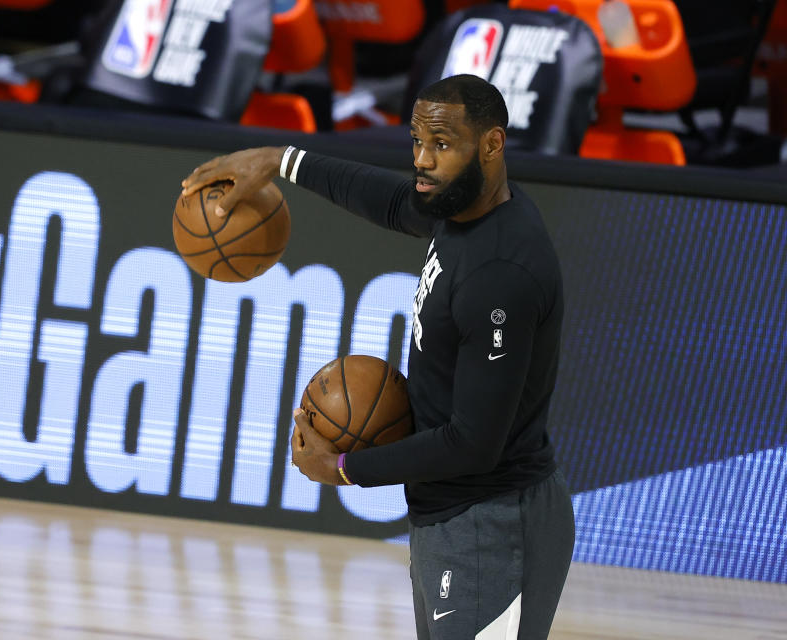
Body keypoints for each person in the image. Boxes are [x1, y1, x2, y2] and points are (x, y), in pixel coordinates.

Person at [181, 74, 575, 640]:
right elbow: (394, 203)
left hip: (493, 525)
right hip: (453, 518)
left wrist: (344, 470)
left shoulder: (501, 276)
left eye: (441, 144)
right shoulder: (464, 204)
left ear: (492, 144)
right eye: (416, 142)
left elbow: (474, 443)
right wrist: (278, 159)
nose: (423, 161)